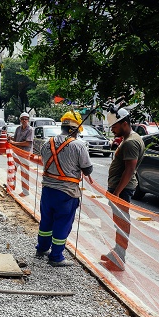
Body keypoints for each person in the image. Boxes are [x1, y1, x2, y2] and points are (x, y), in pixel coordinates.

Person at [35, 111, 93, 267]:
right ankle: (56, 256)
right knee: (62, 223)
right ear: (74, 130)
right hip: (66, 193)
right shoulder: (78, 145)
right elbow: (88, 170)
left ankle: (41, 249)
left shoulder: (47, 143)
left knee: (46, 221)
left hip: (48, 190)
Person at [101, 107, 145, 271]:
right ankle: (117, 252)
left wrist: (117, 193)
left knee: (122, 223)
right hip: (120, 188)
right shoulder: (130, 139)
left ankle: (119, 259)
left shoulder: (131, 142)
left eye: (114, 127)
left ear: (124, 124)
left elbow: (129, 170)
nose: (112, 130)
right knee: (119, 223)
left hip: (122, 190)